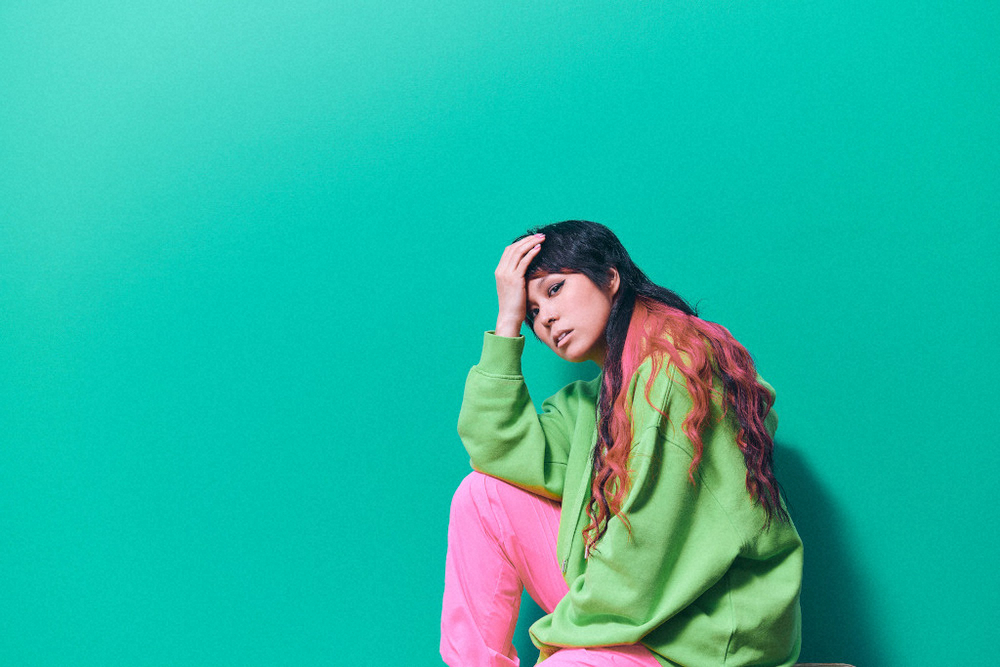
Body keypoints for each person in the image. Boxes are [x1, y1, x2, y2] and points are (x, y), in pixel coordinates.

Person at [441, 220, 802, 667]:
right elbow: (494, 448)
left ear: (610, 277)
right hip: (642, 605)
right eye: (532, 312)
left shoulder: (676, 370)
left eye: (554, 289)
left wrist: (555, 640)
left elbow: (645, 548)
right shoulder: (596, 399)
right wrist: (506, 322)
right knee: (481, 495)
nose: (545, 318)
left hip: (706, 635)